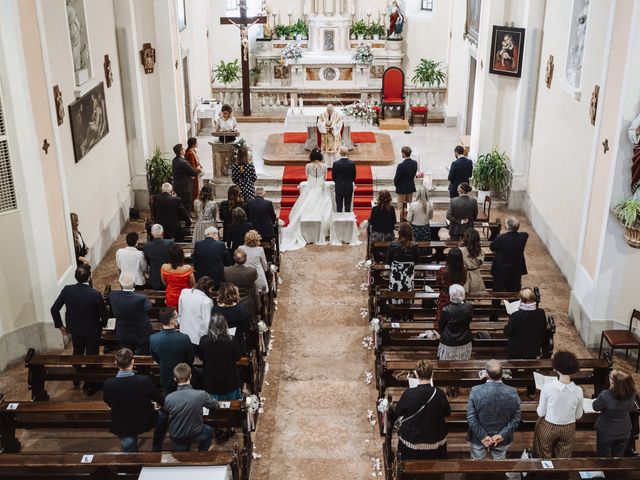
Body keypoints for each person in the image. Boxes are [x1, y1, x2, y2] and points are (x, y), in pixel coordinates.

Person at [103, 348, 165, 452]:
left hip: (123, 421)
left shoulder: (109, 383)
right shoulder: (143, 380)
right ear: (133, 361)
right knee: (163, 416)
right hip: (143, 418)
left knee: (129, 446)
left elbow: (107, 401)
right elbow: (159, 399)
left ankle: (131, 461)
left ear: (115, 363)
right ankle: (157, 447)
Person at [389, 360, 451, 459]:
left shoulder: (410, 393)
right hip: (435, 439)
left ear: (416, 374)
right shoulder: (439, 393)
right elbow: (447, 413)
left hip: (412, 440)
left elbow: (398, 412)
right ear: (432, 374)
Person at [280, 148, 334, 252]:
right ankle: (323, 232)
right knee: (326, 207)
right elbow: (325, 178)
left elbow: (307, 177)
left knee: (304, 208)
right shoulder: (324, 166)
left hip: (310, 190)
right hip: (321, 190)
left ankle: (307, 232)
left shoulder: (308, 166)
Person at [533, 351, 584, 459]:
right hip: (568, 428)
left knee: (544, 454)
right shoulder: (578, 390)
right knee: (563, 457)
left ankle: (546, 473)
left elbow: (541, 412)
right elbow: (578, 415)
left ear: (556, 368)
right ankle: (560, 474)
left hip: (549, 426)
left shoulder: (547, 387)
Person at [467, 360, 521, 459]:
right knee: (500, 462)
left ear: (486, 374)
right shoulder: (512, 392)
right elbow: (516, 419)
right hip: (501, 438)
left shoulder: (475, 391)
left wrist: (482, 436)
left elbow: (471, 417)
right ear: (502, 373)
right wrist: (502, 435)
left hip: (479, 437)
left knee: (477, 464)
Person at [51, 264, 107, 357]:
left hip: (75, 330)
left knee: (77, 353)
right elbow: (104, 315)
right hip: (92, 331)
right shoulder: (95, 294)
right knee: (92, 357)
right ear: (89, 277)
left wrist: (60, 326)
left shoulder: (67, 290)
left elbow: (54, 309)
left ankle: (77, 369)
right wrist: (101, 325)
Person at [164, 363, 218, 451]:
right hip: (195, 433)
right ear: (190, 376)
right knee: (210, 431)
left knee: (182, 455)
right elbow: (215, 405)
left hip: (177, 435)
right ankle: (202, 453)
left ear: (175, 379)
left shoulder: (169, 398)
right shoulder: (201, 394)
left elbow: (167, 412)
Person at [592, 369, 637, 457]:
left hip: (606, 430)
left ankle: (605, 470)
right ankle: (615, 470)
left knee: (604, 456)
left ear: (613, 382)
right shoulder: (633, 394)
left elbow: (595, 406)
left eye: (610, 377)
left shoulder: (605, 395)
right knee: (618, 456)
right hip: (624, 429)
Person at [150, 307, 194, 393]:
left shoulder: (153, 338)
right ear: (172, 321)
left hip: (165, 376)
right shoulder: (184, 338)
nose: (178, 319)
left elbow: (155, 358)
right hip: (183, 375)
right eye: (177, 317)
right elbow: (190, 359)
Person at [199, 313, 242, 401]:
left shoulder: (204, 340)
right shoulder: (231, 340)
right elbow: (238, 357)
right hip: (229, 379)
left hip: (210, 380)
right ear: (224, 325)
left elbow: (201, 357)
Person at [108, 274, 153, 355]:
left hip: (123, 332)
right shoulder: (141, 298)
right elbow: (149, 307)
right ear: (134, 283)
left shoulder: (113, 296)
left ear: (120, 284)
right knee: (142, 355)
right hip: (141, 333)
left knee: (126, 356)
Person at [504, 287, 547, 359]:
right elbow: (543, 331)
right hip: (533, 349)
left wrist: (506, 327)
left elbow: (508, 333)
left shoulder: (516, 315)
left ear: (521, 300)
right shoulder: (540, 313)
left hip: (516, 350)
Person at [490, 216, 529, 292]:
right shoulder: (523, 237)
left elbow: (492, 247)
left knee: (498, 291)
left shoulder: (500, 238)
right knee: (513, 291)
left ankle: (496, 303)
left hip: (501, 270)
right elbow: (525, 233)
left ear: (507, 227)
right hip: (516, 270)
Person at [178, 276, 215, 353]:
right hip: (197, 337)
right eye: (211, 289)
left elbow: (180, 312)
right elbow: (207, 321)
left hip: (183, 333)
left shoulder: (184, 292)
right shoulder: (207, 301)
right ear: (208, 289)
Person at [213, 283, 251, 355]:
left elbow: (214, 326)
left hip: (220, 344)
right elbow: (246, 327)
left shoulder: (216, 309)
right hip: (237, 343)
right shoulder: (241, 308)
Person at [438, 284, 473, 361]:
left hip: (449, 341)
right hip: (464, 339)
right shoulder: (469, 307)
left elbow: (441, 326)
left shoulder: (446, 310)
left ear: (451, 296)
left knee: (447, 363)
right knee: (462, 362)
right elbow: (469, 320)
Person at [224, 249, 259, 319]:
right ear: (246, 259)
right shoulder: (252, 271)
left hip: (232, 302)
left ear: (233, 258)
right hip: (248, 302)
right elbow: (254, 279)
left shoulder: (226, 271)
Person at [435, 248, 468, 323]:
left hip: (445, 297)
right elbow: (464, 281)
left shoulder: (443, 270)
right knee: (457, 319)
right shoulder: (464, 270)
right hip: (458, 296)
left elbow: (438, 282)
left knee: (443, 319)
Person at [388, 223, 419, 296]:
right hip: (408, 279)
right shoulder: (414, 245)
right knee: (408, 295)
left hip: (395, 279)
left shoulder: (393, 244)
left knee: (394, 295)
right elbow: (416, 261)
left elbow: (389, 260)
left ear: (399, 232)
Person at [160, 244, 195, 309]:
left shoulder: (164, 267)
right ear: (181, 255)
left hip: (171, 295)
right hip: (185, 295)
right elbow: (192, 284)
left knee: (172, 315)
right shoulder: (187, 268)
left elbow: (164, 282)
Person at [143, 224, 175, 290]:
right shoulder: (170, 243)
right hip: (169, 274)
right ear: (162, 233)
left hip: (155, 277)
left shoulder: (147, 246)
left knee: (158, 298)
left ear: (152, 233)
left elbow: (148, 261)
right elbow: (173, 258)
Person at [172, 143, 198, 214]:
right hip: (185, 187)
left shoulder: (174, 160)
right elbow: (194, 172)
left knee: (181, 204)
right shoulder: (184, 162)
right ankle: (188, 219)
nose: (184, 150)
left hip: (178, 186)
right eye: (183, 149)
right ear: (181, 152)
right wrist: (198, 169)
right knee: (187, 204)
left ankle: (183, 218)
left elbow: (182, 172)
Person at [393, 146, 418, 221]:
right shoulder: (414, 163)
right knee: (409, 206)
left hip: (401, 189)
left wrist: (397, 185)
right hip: (410, 187)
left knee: (401, 208)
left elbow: (396, 179)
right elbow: (413, 174)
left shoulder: (401, 166)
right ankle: (409, 221)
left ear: (403, 154)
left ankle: (402, 223)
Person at [332, 146, 356, 213]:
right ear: (347, 152)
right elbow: (354, 177)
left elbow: (333, 177)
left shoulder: (335, 164)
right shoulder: (352, 164)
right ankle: (347, 221)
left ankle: (339, 221)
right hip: (348, 187)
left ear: (339, 153)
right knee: (347, 206)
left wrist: (338, 182)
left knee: (339, 206)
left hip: (339, 187)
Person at [184, 137, 203, 206]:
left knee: (198, 191)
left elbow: (197, 161)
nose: (197, 144)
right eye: (196, 143)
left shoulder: (193, 151)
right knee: (195, 192)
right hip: (193, 175)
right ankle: (193, 207)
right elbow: (191, 166)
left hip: (197, 173)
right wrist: (198, 169)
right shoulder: (189, 153)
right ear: (193, 144)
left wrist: (200, 166)